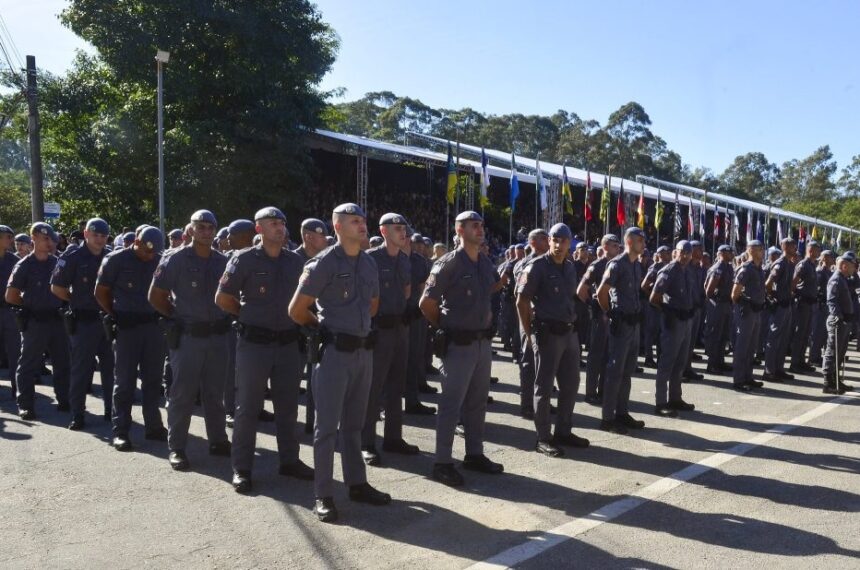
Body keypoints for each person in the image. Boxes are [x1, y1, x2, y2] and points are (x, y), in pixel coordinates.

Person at [289, 202, 391, 523]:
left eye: (362, 219)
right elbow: (297, 309)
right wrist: (324, 330)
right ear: (337, 227)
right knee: (326, 429)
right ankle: (323, 494)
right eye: (354, 221)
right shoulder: (323, 263)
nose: (362, 225)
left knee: (354, 425)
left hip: (363, 352)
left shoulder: (369, 262)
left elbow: (373, 304)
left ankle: (357, 483)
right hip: (334, 353)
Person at [215, 208, 312, 490]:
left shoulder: (295, 261)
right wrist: (247, 316)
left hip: (287, 343)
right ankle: (242, 468)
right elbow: (223, 297)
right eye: (273, 223)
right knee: (248, 408)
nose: (280, 227)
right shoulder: (243, 259)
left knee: (288, 406)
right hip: (254, 344)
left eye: (282, 222)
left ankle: (289, 460)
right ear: (259, 229)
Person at [420, 210, 507, 487]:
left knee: (477, 402)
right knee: (451, 404)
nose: (480, 229)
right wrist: (446, 327)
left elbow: (489, 292)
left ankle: (474, 453)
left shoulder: (484, 261)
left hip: (482, 343)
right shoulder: (448, 263)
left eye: (481, 225)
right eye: (473, 225)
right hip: (458, 343)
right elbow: (426, 304)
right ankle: (442, 462)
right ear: (460, 230)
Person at [149, 210, 231, 471]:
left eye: (210, 227)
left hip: (217, 336)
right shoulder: (175, 259)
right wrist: (177, 317)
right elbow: (156, 296)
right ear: (191, 229)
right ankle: (177, 447)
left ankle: (218, 440)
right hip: (188, 337)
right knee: (182, 393)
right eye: (201, 227)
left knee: (214, 392)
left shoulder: (222, 261)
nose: (206, 232)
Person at [516, 223, 589, 457]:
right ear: (549, 241)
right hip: (547, 334)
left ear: (569, 244)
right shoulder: (537, 266)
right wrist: (530, 332)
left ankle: (563, 431)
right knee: (544, 386)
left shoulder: (569, 267)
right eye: (555, 240)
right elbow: (521, 301)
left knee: (571, 384)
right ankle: (543, 437)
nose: (558, 245)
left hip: (569, 333)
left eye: (563, 241)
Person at [95, 226, 167, 451]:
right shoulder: (115, 260)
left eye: (153, 252)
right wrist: (116, 314)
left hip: (153, 327)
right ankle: (121, 431)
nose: (150, 255)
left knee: (153, 380)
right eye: (146, 250)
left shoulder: (160, 260)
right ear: (136, 241)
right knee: (124, 382)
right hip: (127, 327)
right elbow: (101, 291)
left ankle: (153, 426)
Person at [361, 213, 420, 465]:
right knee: (373, 387)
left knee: (397, 385)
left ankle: (393, 438)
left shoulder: (404, 260)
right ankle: (366, 442)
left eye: (404, 228)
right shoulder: (370, 259)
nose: (402, 233)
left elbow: (406, 291)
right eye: (397, 228)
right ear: (383, 231)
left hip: (399, 328)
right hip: (378, 329)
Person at [50, 218, 114, 430]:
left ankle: (111, 410)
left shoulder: (111, 256)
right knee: (81, 370)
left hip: (107, 320)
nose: (99, 239)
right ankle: (77, 414)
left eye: (103, 236)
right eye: (95, 235)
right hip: (84, 322)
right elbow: (57, 287)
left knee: (110, 369)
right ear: (86, 234)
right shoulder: (73, 257)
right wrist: (75, 300)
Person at [5, 222, 71, 419]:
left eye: (52, 239)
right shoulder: (24, 265)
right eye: (45, 239)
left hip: (57, 320)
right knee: (28, 364)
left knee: (62, 362)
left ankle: (64, 399)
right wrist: (30, 305)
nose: (50, 243)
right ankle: (25, 404)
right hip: (35, 321)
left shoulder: (57, 263)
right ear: (33, 238)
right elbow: (11, 296)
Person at [595, 227, 647, 434]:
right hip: (622, 323)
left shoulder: (636, 265)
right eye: (640, 240)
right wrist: (610, 313)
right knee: (615, 371)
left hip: (634, 323)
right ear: (630, 242)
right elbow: (601, 292)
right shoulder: (617, 264)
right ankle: (607, 418)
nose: (644, 244)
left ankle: (622, 412)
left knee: (627, 371)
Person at [650, 241, 696, 417]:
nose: (686, 256)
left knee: (680, 362)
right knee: (667, 362)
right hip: (673, 321)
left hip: (686, 320)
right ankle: (661, 402)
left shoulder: (687, 271)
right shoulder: (669, 270)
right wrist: (668, 311)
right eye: (683, 252)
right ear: (675, 252)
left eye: (688, 253)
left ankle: (675, 398)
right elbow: (654, 297)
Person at [293, 218, 330, 432]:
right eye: (321, 235)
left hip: (318, 327)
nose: (325, 239)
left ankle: (313, 424)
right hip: (296, 328)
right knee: (291, 383)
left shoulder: (326, 260)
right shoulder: (292, 260)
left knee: (319, 382)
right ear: (308, 236)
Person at [221, 219, 257, 428]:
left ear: (245, 236)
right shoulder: (227, 259)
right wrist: (243, 313)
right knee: (232, 369)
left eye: (231, 235)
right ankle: (230, 409)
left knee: (254, 372)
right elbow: (224, 295)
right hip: (233, 322)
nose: (227, 239)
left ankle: (254, 408)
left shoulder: (260, 257)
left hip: (255, 326)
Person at [577, 234, 621, 404]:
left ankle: (603, 390)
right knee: (596, 354)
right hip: (600, 315)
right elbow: (581, 290)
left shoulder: (617, 264)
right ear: (605, 247)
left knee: (609, 355)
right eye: (614, 245)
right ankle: (590, 392)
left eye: (618, 245)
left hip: (613, 314)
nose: (618, 248)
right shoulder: (597, 265)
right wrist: (593, 305)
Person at [404, 232, 436, 415]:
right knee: (389, 364)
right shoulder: (379, 258)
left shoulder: (420, 262)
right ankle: (381, 405)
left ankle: (412, 400)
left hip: (415, 316)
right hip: (390, 319)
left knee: (415, 358)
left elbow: (425, 289)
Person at [731, 240, 766, 392]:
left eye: (762, 249)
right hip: (747, 312)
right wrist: (744, 304)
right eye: (759, 249)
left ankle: (748, 376)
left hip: (757, 311)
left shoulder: (759, 269)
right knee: (742, 346)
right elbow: (734, 294)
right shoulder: (746, 269)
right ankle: (738, 379)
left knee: (752, 347)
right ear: (751, 250)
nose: (762, 252)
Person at [763, 238, 797, 383]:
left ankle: (778, 369)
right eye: (792, 246)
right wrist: (773, 297)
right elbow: (768, 284)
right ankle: (769, 371)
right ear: (785, 247)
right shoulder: (780, 263)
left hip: (786, 304)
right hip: (779, 305)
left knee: (783, 339)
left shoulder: (789, 263)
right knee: (774, 338)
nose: (795, 248)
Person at [822, 254, 856, 394]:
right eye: (852, 266)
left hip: (844, 321)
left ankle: (836, 380)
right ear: (844, 266)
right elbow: (831, 300)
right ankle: (828, 382)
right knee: (832, 351)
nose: (854, 269)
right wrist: (839, 316)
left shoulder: (843, 279)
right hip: (837, 321)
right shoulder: (836, 279)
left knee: (840, 352)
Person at [788, 241, 821, 373]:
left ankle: (801, 361)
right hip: (802, 303)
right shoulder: (803, 265)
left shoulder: (812, 265)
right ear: (811, 251)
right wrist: (796, 296)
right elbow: (793, 284)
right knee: (800, 333)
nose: (819, 253)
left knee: (806, 334)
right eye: (817, 250)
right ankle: (795, 363)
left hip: (810, 303)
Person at [703, 245, 735, 375]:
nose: (732, 254)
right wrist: (718, 298)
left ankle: (720, 361)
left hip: (726, 304)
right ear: (722, 253)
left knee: (723, 335)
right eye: (730, 252)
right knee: (715, 334)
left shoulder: (728, 267)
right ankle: (712, 364)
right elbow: (709, 290)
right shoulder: (718, 268)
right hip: (718, 304)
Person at [641, 245, 671, 369]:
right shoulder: (655, 267)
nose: (669, 254)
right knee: (651, 332)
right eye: (666, 253)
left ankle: (660, 358)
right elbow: (644, 285)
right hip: (654, 305)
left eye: (669, 252)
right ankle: (648, 358)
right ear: (659, 254)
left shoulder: (669, 266)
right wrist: (653, 296)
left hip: (664, 304)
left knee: (661, 333)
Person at [0, 225, 21, 397]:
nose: (11, 240)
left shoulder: (14, 261)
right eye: (8, 237)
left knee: (15, 351)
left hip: (9, 311)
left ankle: (17, 388)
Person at [809, 250, 836, 366]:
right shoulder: (820, 272)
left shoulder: (829, 272)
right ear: (824, 258)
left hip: (826, 306)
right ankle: (813, 357)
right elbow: (817, 289)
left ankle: (817, 356)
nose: (833, 259)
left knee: (823, 333)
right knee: (817, 332)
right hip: (820, 305)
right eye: (830, 257)